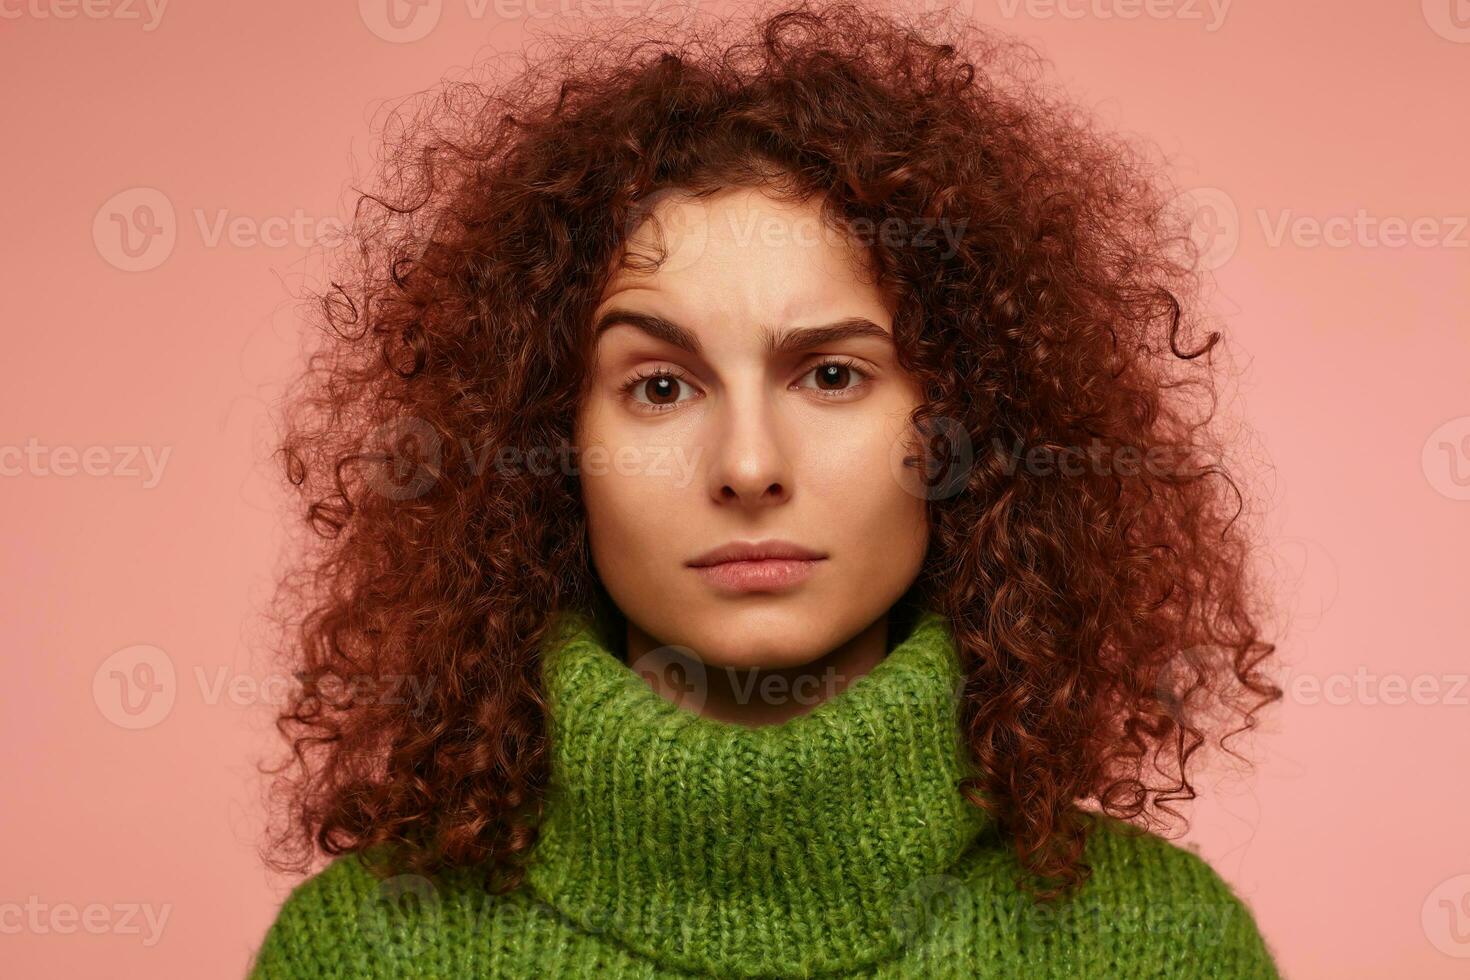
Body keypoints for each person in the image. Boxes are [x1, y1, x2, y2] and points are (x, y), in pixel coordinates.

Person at [248, 1, 1282, 975]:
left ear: (967, 429)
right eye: (659, 385)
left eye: (832, 375)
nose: (748, 466)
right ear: (544, 448)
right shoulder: (367, 949)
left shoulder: (1160, 947)